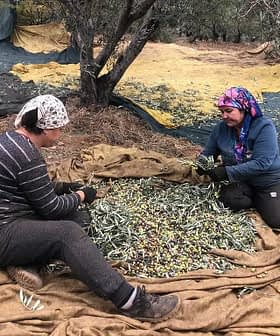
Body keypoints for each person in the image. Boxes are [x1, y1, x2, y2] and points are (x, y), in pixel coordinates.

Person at [0, 94, 180, 322]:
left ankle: (26, 262)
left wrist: (64, 186)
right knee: (68, 233)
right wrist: (82, 194)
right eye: (59, 129)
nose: (60, 134)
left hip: (12, 214)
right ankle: (130, 301)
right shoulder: (26, 155)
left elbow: (29, 186)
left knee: (77, 216)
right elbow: (51, 209)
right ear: (46, 129)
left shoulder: (10, 140)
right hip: (5, 230)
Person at [196, 86, 280, 229]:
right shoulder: (221, 129)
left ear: (244, 109)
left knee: (276, 220)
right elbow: (209, 152)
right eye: (222, 112)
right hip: (243, 181)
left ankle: (268, 198)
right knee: (228, 199)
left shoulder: (264, 127)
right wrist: (201, 164)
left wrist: (226, 172)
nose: (224, 116)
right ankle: (261, 201)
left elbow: (262, 163)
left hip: (268, 180)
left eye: (229, 111)